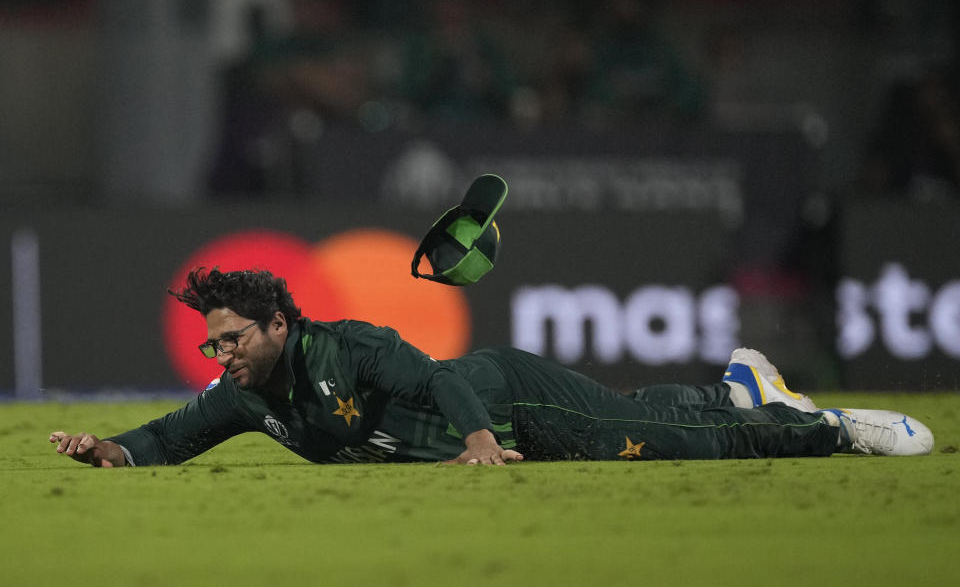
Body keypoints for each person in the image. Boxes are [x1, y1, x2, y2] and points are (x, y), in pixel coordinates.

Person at [49, 268, 933, 468]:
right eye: (213, 343)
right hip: (490, 419)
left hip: (506, 406)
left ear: (280, 322)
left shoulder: (346, 345)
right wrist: (112, 451)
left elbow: (435, 379)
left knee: (658, 441)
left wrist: (479, 436)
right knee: (637, 405)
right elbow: (174, 430)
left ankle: (827, 429)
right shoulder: (246, 397)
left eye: (234, 335)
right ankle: (736, 386)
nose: (222, 352)